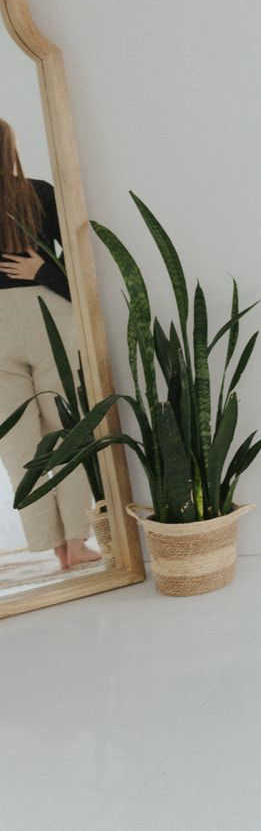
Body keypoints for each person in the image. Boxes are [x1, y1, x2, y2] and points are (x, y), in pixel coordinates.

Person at [0, 117, 99, 570]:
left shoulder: (39, 191)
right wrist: (42, 272)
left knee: (18, 445)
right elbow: (81, 267)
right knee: (68, 432)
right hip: (48, 317)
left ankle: (58, 546)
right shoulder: (37, 190)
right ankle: (77, 542)